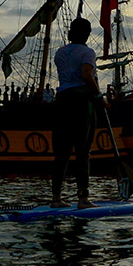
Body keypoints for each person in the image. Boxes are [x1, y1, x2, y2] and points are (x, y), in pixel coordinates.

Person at [51, 18, 102, 208]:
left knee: (62, 152)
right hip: (81, 102)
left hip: (62, 101)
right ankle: (83, 198)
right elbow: (86, 74)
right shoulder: (88, 53)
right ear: (87, 34)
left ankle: (56, 198)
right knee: (83, 151)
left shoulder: (60, 53)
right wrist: (99, 96)